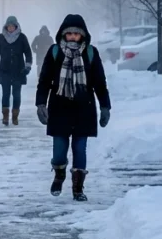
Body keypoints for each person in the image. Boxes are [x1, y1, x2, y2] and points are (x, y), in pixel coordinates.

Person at [36, 14, 111, 202]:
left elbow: (100, 83)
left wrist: (105, 107)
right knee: (59, 150)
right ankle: (59, 174)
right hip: (59, 107)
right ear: (63, 34)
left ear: (83, 35)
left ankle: (78, 188)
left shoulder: (91, 53)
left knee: (80, 148)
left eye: (76, 34)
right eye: (68, 33)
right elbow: (44, 80)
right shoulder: (55, 52)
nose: (72, 37)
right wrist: (40, 104)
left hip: (83, 108)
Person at [0, 15, 34, 126]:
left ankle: (15, 116)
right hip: (5, 71)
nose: (10, 28)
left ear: (16, 26)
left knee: (16, 95)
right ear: (6, 26)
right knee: (6, 94)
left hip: (19, 71)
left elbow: (28, 53)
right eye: (8, 26)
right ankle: (5, 117)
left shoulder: (22, 37)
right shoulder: (1, 38)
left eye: (12, 26)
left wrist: (27, 66)